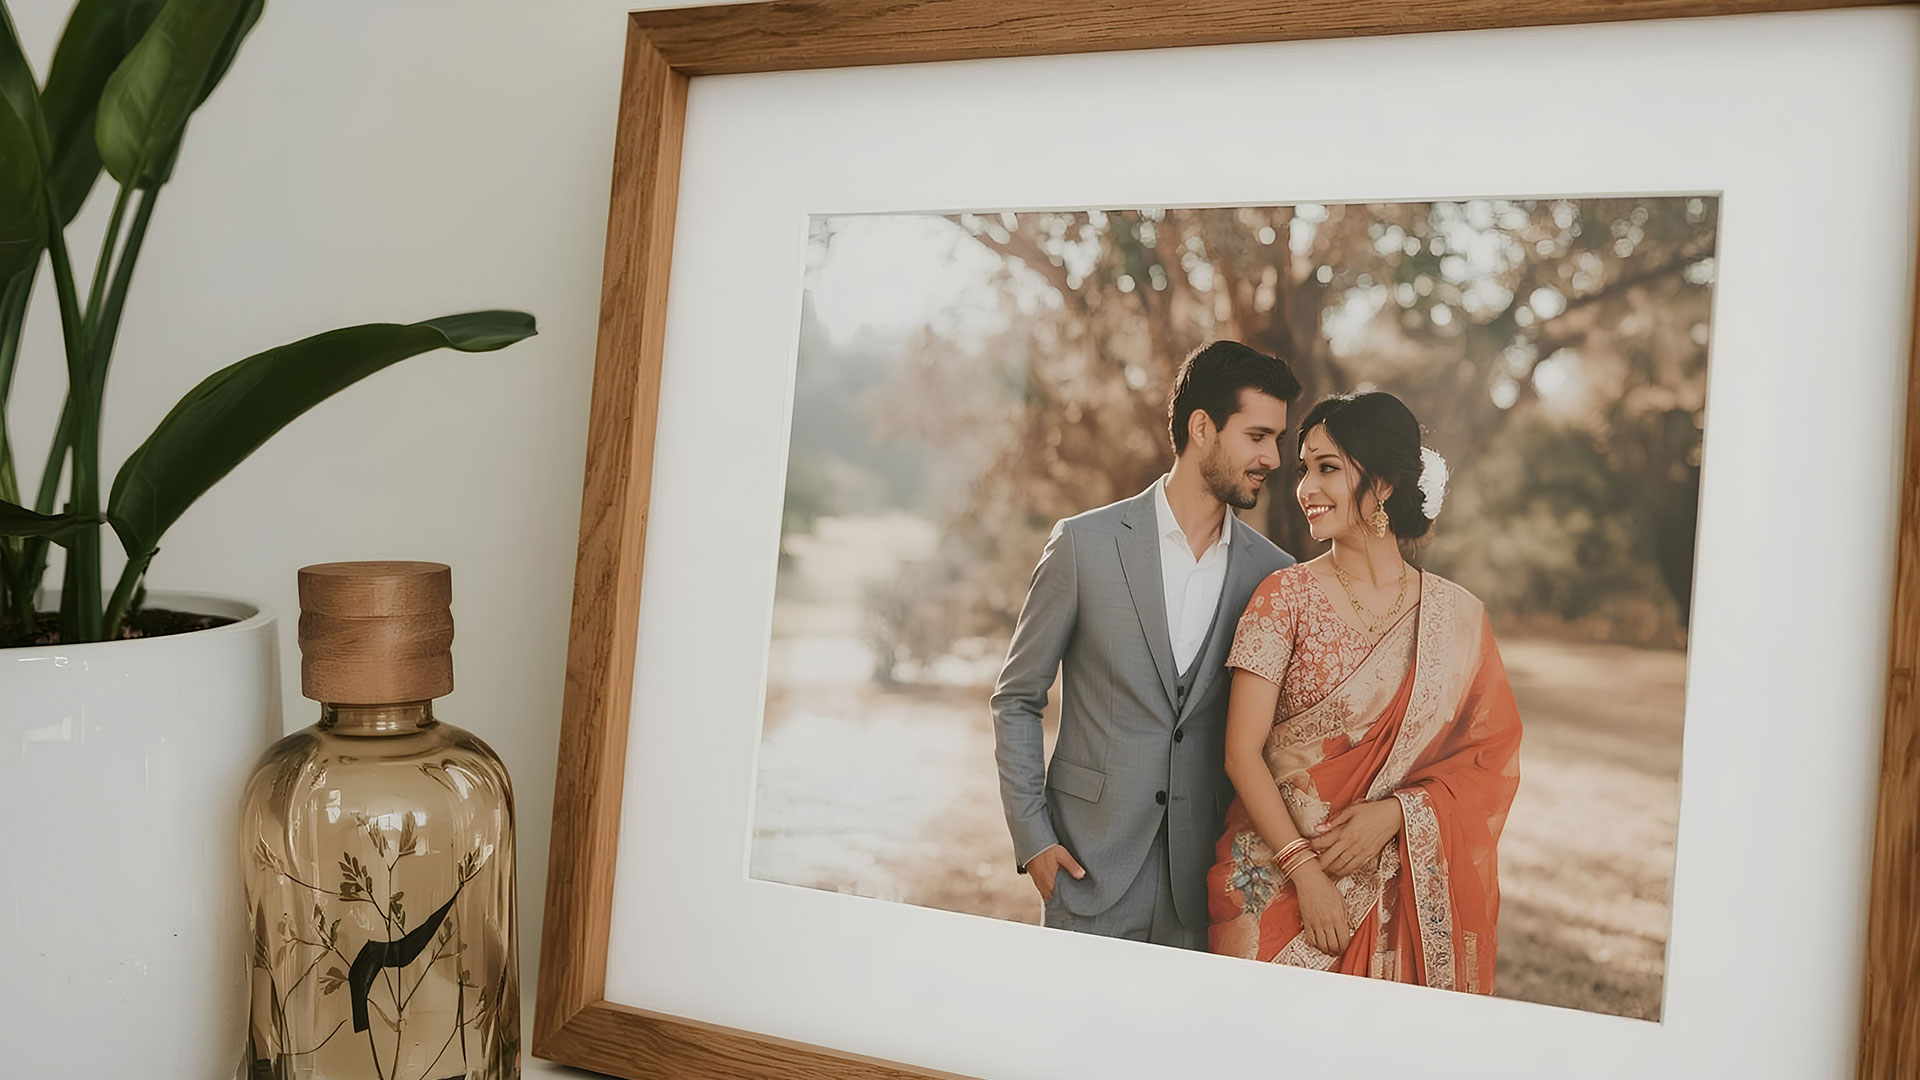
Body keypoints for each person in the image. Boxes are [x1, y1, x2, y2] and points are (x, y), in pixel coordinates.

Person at [1206, 391, 1522, 994]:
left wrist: (1397, 814)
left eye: (1328, 467)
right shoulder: (1284, 597)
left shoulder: (1457, 617)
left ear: (1381, 484)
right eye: (1304, 469)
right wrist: (1307, 875)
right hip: (1275, 882)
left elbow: (1486, 762)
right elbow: (1240, 755)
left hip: (1397, 889)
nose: (1305, 488)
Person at [992, 340, 1301, 950]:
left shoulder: (1273, 575)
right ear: (1203, 428)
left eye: (1278, 440)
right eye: (1258, 435)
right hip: (1088, 867)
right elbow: (1018, 697)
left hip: (1206, 886)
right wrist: (1034, 840)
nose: (1272, 457)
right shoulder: (1085, 545)